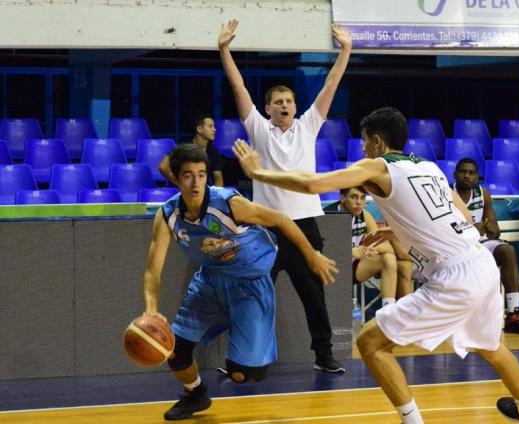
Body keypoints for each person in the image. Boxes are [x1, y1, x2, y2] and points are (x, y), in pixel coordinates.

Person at [232, 107, 519, 424]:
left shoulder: (378, 166)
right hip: (480, 262)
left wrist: (258, 173)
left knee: (370, 343)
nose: (362, 149)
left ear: (377, 142)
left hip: (456, 276)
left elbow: (314, 184)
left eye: (364, 142)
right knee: (492, 347)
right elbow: (464, 218)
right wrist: (399, 228)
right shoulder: (429, 166)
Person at [142, 144, 338, 420]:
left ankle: (240, 327)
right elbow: (153, 270)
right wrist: (151, 309)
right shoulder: (168, 215)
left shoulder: (229, 203)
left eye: (201, 174)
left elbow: (280, 219)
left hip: (250, 283)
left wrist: (312, 255)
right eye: (188, 175)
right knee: (176, 351)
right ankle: (196, 394)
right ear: (176, 177)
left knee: (245, 374)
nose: (196, 182)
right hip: (211, 280)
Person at [218, 19, 352, 373]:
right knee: (253, 296)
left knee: (314, 298)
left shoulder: (308, 126)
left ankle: (324, 357)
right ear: (268, 109)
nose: (285, 105)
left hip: (305, 224)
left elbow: (331, 84)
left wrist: (346, 50)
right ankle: (242, 361)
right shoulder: (258, 130)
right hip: (266, 230)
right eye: (278, 101)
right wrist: (225, 50)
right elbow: (238, 86)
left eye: (289, 100)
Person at [452, 158, 519, 335]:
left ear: (477, 176)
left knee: (506, 250)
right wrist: (471, 230)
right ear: (455, 174)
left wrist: (492, 228)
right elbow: (443, 229)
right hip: (454, 246)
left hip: (478, 245)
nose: (467, 176)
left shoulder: (483, 193)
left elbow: (495, 232)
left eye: (471, 173)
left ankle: (514, 314)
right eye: (463, 172)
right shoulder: (446, 193)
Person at [324, 186, 413, 306]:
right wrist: (350, 251)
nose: (359, 202)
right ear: (342, 198)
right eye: (354, 197)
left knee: (388, 258)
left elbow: (386, 246)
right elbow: (320, 251)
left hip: (353, 267)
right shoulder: (329, 215)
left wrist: (368, 248)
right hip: (330, 269)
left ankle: (388, 309)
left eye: (362, 198)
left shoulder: (364, 215)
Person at [159, 115, 224, 187]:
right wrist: (178, 183)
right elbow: (163, 166)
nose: (214, 130)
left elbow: (218, 178)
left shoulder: (214, 151)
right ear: (199, 129)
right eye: (210, 126)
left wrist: (217, 195)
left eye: (214, 126)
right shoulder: (183, 148)